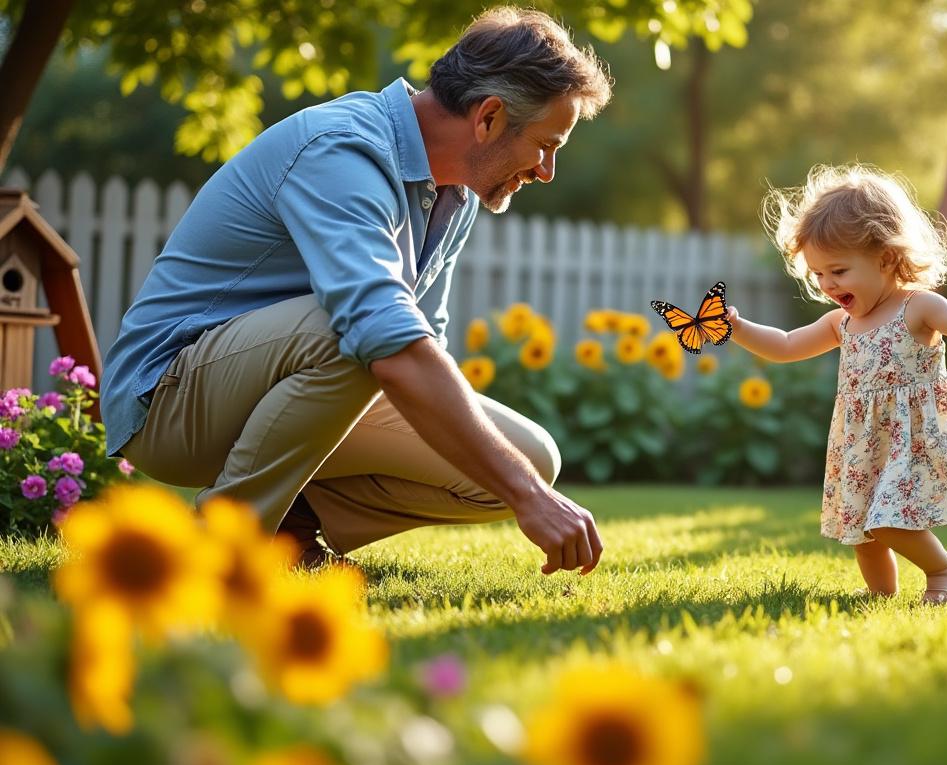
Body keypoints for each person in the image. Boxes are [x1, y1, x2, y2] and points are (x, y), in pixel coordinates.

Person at [100, 7, 612, 573]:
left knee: (531, 457)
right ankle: (224, 543)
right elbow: (383, 334)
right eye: (546, 144)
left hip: (277, 388)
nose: (547, 171)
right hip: (169, 399)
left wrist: (524, 483)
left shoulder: (455, 195)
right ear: (488, 117)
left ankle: (288, 532)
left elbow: (425, 348)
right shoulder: (343, 150)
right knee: (363, 335)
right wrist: (528, 500)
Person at [726, 164, 947, 603]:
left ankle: (944, 570)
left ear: (884, 257)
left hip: (912, 435)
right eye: (819, 274)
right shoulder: (842, 322)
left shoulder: (918, 308)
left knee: (886, 520)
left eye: (839, 271)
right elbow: (786, 345)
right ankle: (881, 597)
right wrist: (738, 327)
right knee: (863, 530)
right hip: (863, 441)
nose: (827, 284)